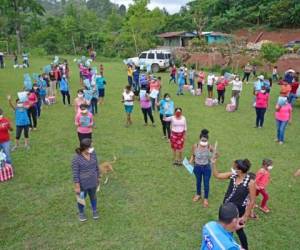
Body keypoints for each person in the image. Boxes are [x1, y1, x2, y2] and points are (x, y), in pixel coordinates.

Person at [212, 157, 256, 250]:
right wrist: (213, 163)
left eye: (234, 167)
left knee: (239, 230)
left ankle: (245, 248)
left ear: (240, 170)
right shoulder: (233, 175)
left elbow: (252, 200)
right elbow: (217, 175)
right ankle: (226, 244)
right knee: (227, 228)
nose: (233, 168)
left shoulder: (250, 183)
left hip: (238, 211)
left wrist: (245, 216)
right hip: (227, 208)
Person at [72, 138, 100, 222]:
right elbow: (75, 173)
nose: (92, 148)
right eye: (90, 146)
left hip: (93, 182)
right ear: (84, 148)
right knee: (81, 199)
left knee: (93, 196)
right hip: (82, 184)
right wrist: (77, 186)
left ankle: (94, 210)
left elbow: (96, 166)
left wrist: (98, 177)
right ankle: (81, 213)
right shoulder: (76, 159)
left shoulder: (93, 153)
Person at [189, 129, 213, 208]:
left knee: (206, 183)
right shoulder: (195, 146)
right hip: (197, 167)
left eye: (205, 141)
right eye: (202, 141)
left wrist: (215, 154)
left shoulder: (209, 146)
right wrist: (190, 160)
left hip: (206, 167)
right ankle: (198, 194)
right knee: (198, 182)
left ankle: (206, 198)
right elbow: (193, 155)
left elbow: (217, 154)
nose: (203, 144)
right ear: (199, 140)